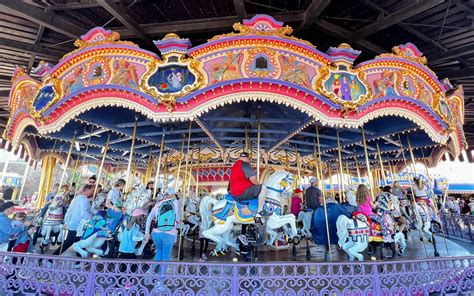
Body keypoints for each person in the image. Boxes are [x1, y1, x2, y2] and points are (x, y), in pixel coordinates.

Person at [52, 184, 93, 256]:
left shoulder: (76, 198)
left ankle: (79, 261)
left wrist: (67, 221)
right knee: (72, 242)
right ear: (86, 190)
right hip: (78, 225)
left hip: (72, 223)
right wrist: (91, 216)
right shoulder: (85, 200)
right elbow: (84, 213)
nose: (92, 192)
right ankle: (53, 257)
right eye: (91, 190)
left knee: (78, 242)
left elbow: (69, 211)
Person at [145, 188, 181, 262]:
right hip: (169, 233)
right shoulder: (175, 203)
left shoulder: (157, 205)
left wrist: (147, 232)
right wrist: (179, 220)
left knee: (159, 252)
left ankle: (151, 272)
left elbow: (149, 218)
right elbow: (177, 218)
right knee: (166, 255)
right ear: (172, 195)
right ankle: (162, 273)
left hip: (156, 233)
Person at [228, 152, 268, 217]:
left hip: (235, 192)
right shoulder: (245, 164)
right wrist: (258, 184)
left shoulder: (235, 165)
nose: (248, 160)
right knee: (263, 187)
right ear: (246, 158)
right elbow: (252, 179)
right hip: (242, 191)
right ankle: (260, 211)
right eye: (248, 159)